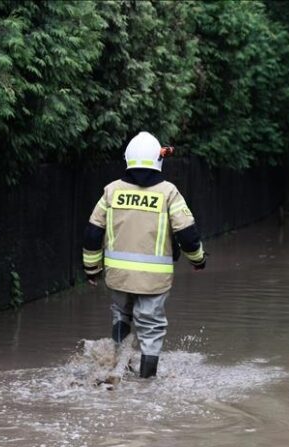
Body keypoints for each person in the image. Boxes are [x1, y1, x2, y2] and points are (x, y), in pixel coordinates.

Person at [82, 131, 206, 378]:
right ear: (157, 160)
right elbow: (187, 234)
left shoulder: (111, 191)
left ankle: (118, 367)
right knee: (150, 328)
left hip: (118, 277)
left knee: (121, 316)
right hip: (153, 281)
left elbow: (93, 233)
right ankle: (146, 384)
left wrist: (92, 269)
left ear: (128, 159)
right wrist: (198, 260)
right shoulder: (168, 193)